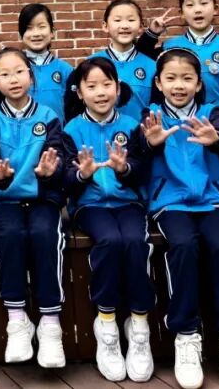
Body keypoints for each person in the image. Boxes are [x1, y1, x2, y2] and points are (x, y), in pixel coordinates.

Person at [136, 49, 219, 389]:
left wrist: (216, 140)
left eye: (187, 78)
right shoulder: (151, 114)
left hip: (213, 199)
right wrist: (151, 144)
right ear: (158, 83)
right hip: (171, 201)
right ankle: (186, 335)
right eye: (171, 78)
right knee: (184, 245)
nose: (179, 85)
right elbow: (141, 147)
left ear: (199, 83)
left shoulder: (212, 111)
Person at [62, 57, 155, 383]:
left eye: (107, 84)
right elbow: (66, 180)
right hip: (91, 207)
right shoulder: (71, 130)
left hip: (128, 204)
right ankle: (107, 325)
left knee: (134, 241)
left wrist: (124, 169)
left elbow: (142, 169)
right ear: (79, 92)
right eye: (92, 86)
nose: (100, 92)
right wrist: (83, 174)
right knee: (111, 241)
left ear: (118, 87)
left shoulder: (131, 125)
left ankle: (139, 326)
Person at [0, 48, 68, 368]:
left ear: (31, 75)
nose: (13, 79)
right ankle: (17, 319)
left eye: (19, 71)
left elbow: (57, 159)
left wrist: (49, 172)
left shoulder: (48, 116)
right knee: (10, 235)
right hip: (4, 199)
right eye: (5, 74)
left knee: (45, 234)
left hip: (43, 197)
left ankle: (50, 323)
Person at [138, 0, 219, 107]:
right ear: (181, 12)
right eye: (190, 5)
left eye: (204, 3)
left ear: (215, 9)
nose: (197, 10)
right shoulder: (169, 48)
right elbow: (139, 57)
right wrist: (152, 34)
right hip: (177, 117)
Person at [88, 0, 156, 118]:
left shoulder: (152, 66)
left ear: (141, 26)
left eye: (131, 20)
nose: (124, 26)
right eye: (117, 20)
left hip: (141, 129)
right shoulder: (90, 64)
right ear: (105, 26)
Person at [17, 3, 75, 120]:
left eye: (41, 26)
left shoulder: (66, 70)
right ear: (21, 34)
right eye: (29, 28)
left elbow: (73, 111)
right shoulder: (15, 69)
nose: (36, 33)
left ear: (52, 32)